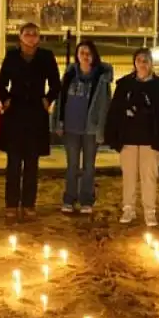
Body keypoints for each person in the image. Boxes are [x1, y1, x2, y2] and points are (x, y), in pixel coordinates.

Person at [0, 23, 61, 221]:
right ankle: (11, 203)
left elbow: (56, 83)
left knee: (32, 163)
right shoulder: (12, 56)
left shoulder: (46, 56)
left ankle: (29, 204)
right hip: (15, 113)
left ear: (39, 38)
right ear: (20, 37)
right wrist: (5, 98)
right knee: (13, 162)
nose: (31, 37)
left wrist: (48, 99)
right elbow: (1, 81)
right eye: (27, 34)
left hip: (36, 113)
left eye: (34, 34)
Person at [104, 48, 159, 226]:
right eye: (139, 60)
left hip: (150, 139)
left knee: (149, 176)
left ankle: (149, 211)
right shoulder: (124, 84)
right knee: (129, 175)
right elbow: (115, 111)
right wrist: (112, 135)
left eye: (146, 60)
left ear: (151, 63)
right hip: (128, 138)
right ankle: (129, 208)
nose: (143, 63)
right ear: (134, 63)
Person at [54, 40, 113, 215]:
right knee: (72, 166)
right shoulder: (70, 75)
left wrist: (101, 129)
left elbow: (104, 106)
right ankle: (69, 199)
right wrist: (58, 121)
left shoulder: (101, 79)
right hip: (71, 129)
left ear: (94, 56)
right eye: (82, 53)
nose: (85, 56)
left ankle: (86, 199)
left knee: (88, 166)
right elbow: (61, 100)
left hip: (90, 129)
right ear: (77, 55)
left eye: (88, 53)